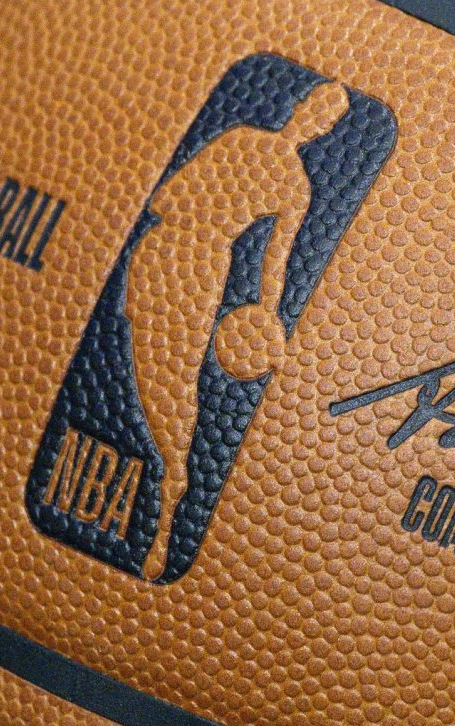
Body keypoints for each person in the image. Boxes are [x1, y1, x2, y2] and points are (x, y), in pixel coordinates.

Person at [121, 81, 351, 581]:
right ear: (300, 103)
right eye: (314, 105)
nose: (315, 117)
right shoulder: (243, 137)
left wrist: (268, 316)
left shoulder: (296, 186)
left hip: (201, 266)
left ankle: (168, 504)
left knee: (177, 386)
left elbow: (277, 260)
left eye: (327, 117)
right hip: (162, 250)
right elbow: (169, 195)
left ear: (326, 128)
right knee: (148, 365)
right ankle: (165, 484)